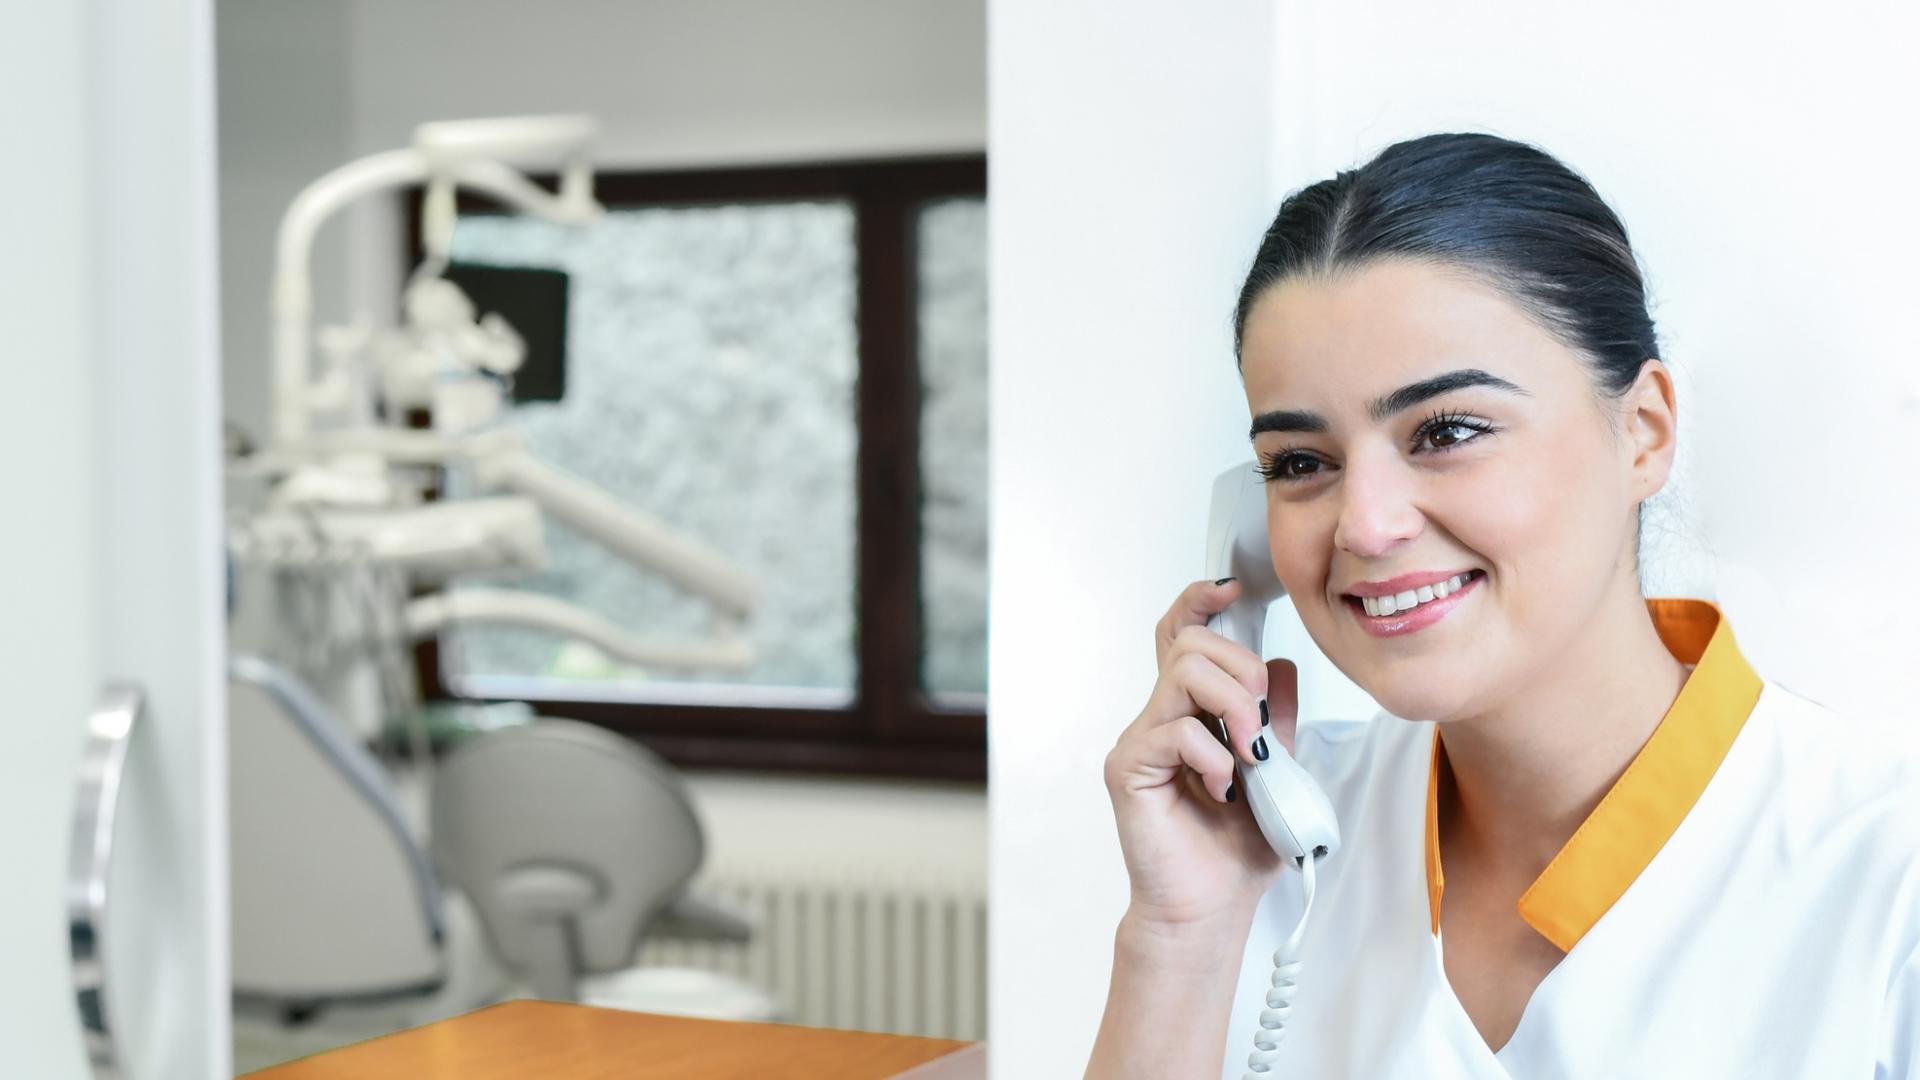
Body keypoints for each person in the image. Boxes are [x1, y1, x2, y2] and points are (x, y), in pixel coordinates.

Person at [1085, 132, 1920, 1078]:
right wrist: (1179, 937)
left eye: (1447, 430)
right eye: (1300, 464)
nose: (1364, 524)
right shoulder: (1266, 835)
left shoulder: (1888, 879)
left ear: (1643, 434)